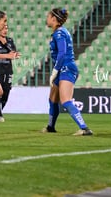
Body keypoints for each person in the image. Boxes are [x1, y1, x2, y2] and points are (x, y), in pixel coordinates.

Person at [42, 8, 93, 136]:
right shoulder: (61, 32)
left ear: (54, 19)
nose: (47, 19)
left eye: (48, 16)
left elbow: (62, 53)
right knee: (52, 99)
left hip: (66, 68)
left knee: (65, 100)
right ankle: (50, 127)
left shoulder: (59, 33)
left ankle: (85, 128)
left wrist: (54, 71)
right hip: (63, 68)